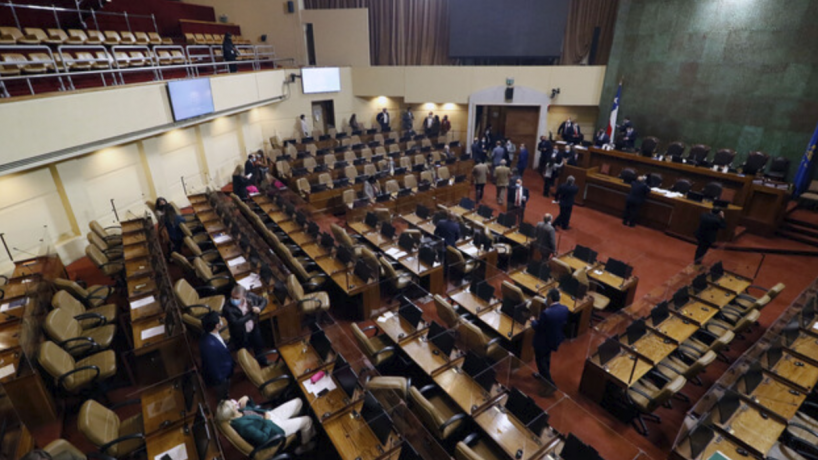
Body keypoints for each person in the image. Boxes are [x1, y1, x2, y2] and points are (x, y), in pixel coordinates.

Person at [216, 397, 315, 454]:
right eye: (233, 404)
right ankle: (305, 445)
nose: (234, 402)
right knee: (308, 420)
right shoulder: (243, 427)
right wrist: (267, 421)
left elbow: (252, 411)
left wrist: (247, 399)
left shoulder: (237, 414)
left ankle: (297, 427)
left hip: (269, 416)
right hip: (274, 429)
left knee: (299, 401)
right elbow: (264, 438)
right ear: (232, 411)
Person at [531, 288, 569, 390]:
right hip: (554, 339)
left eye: (547, 297)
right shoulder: (565, 309)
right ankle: (542, 376)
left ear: (550, 298)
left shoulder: (546, 313)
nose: (546, 299)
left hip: (542, 341)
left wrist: (533, 321)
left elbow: (538, 327)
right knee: (547, 358)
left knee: (540, 361)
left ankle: (550, 384)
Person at [223, 285, 268, 362]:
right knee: (244, 352)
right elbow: (236, 323)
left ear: (244, 296)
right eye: (232, 297)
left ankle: (262, 361)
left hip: (254, 327)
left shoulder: (250, 296)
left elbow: (264, 300)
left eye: (237, 298)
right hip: (240, 333)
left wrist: (259, 308)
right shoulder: (227, 308)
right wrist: (251, 314)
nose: (233, 300)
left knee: (258, 346)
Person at [200, 311, 234, 400]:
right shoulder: (210, 346)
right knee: (222, 395)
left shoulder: (208, 334)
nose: (221, 321)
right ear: (217, 325)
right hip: (221, 377)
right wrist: (221, 379)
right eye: (219, 320)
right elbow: (213, 366)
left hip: (224, 366)